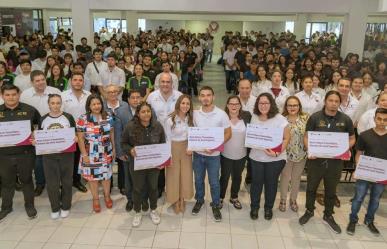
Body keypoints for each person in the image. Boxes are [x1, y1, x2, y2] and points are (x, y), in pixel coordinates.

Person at [299, 90, 356, 234]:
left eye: (337, 101)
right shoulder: (315, 117)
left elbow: (352, 138)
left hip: (335, 162)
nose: (334, 103)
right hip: (316, 160)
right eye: (331, 100)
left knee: (331, 190)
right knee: (311, 188)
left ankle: (328, 215)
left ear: (340, 103)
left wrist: (344, 148)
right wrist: (309, 149)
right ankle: (309, 210)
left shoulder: (346, 119)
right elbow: (306, 137)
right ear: (325, 101)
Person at [121, 102, 166, 227]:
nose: (146, 114)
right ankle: (137, 211)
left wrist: (163, 161)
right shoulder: (130, 127)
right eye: (143, 112)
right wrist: (130, 150)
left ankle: (153, 210)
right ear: (138, 113)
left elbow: (163, 144)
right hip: (136, 164)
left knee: (153, 187)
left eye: (148, 111)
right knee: (137, 188)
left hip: (153, 165)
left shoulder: (157, 126)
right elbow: (123, 143)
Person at [0, 84, 40, 221]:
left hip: (25, 153)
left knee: (27, 181)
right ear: (2, 96)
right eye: (7, 95)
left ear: (19, 94)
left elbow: (38, 127)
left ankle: (29, 206)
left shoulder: (30, 110)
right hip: (3, 155)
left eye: (13, 94)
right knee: (6, 182)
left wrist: (36, 137)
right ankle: (6, 207)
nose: (11, 97)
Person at [191, 86, 232, 222]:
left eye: (208, 95)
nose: (205, 98)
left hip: (214, 156)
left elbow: (228, 133)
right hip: (198, 154)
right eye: (202, 95)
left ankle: (215, 204)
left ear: (213, 97)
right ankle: (199, 200)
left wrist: (216, 146)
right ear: (199, 97)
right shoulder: (195, 114)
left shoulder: (221, 114)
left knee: (214, 182)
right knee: (198, 180)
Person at [249, 92, 290, 220]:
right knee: (256, 183)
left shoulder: (280, 119)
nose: (263, 105)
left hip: (275, 158)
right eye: (261, 103)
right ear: (257, 104)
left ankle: (268, 208)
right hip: (256, 157)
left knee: (271, 184)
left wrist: (277, 152)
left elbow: (286, 138)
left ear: (271, 104)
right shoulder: (254, 117)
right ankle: (254, 207)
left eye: (266, 103)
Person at [20, 70, 62, 196]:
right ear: (32, 82)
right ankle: (40, 183)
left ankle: (57, 182)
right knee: (38, 161)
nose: (41, 82)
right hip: (35, 131)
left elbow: (61, 110)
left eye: (42, 79)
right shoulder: (25, 95)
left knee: (55, 159)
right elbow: (24, 115)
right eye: (37, 80)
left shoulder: (55, 91)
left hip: (55, 129)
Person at [346, 108, 387, 236]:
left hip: (381, 175)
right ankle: (353, 220)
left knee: (375, 199)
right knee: (358, 198)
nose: (381, 122)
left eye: (385, 120)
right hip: (364, 173)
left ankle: (369, 221)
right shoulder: (364, 135)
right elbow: (358, 155)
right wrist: (357, 170)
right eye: (379, 119)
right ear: (374, 119)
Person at [37, 94, 76, 219]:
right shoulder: (43, 119)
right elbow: (40, 136)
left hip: (66, 155)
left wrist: (75, 138)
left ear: (61, 104)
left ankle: (65, 206)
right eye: (52, 103)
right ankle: (54, 207)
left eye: (58, 103)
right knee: (52, 183)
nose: (55, 105)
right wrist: (36, 141)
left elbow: (74, 133)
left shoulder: (68, 117)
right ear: (48, 104)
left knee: (67, 181)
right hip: (49, 156)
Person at [76, 94, 115, 213]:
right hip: (90, 152)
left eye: (98, 103)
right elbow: (80, 138)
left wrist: (114, 149)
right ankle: (96, 199)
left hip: (106, 151)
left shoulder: (108, 117)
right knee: (92, 178)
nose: (97, 106)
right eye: (94, 104)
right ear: (89, 106)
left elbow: (112, 133)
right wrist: (84, 155)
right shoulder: (83, 119)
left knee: (106, 176)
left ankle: (107, 196)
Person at [147, 73, 182, 196]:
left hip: (175, 135)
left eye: (168, 82)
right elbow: (147, 115)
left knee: (174, 164)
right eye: (163, 82)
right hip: (157, 135)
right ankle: (159, 188)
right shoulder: (152, 97)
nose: (165, 84)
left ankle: (173, 188)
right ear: (159, 83)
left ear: (172, 84)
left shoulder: (179, 96)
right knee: (159, 163)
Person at [220, 95, 251, 209]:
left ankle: (234, 197)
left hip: (241, 155)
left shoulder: (247, 116)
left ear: (240, 105)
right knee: (224, 177)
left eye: (236, 104)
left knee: (237, 177)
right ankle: (220, 197)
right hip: (225, 155)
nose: (234, 106)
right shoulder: (222, 118)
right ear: (227, 105)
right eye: (231, 104)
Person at [164, 94, 194, 213]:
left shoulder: (190, 119)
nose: (185, 106)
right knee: (173, 175)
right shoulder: (170, 120)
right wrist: (168, 156)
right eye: (183, 103)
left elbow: (194, 135)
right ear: (178, 104)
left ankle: (182, 198)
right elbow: (167, 138)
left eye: (187, 104)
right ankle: (175, 200)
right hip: (173, 148)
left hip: (186, 148)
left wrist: (191, 147)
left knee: (185, 175)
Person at [279, 96, 309, 212]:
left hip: (301, 154)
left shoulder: (306, 117)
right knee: (285, 177)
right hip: (285, 154)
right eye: (290, 105)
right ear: (286, 106)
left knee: (296, 178)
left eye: (295, 105)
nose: (292, 107)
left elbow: (310, 134)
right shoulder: (281, 119)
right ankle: (282, 200)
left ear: (299, 106)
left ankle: (293, 200)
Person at [61, 73, 90, 193]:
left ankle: (77, 180)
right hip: (69, 131)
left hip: (85, 131)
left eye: (80, 80)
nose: (78, 82)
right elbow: (60, 113)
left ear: (83, 82)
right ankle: (65, 181)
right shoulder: (63, 95)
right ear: (71, 82)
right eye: (75, 80)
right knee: (68, 158)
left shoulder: (89, 95)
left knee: (80, 156)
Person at [103, 84, 130, 195]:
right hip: (106, 141)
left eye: (115, 91)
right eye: (110, 92)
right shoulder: (102, 106)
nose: (113, 94)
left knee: (122, 163)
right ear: (105, 94)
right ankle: (107, 186)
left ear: (118, 93)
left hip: (122, 139)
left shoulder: (125, 105)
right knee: (107, 164)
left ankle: (122, 185)